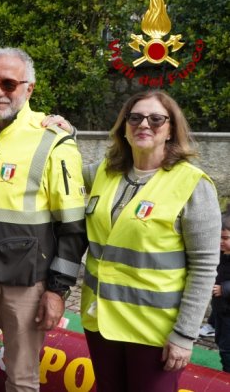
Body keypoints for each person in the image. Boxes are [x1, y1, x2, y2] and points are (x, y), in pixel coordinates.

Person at [0, 47, 88, 392]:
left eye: (8, 84)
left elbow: (73, 228)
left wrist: (57, 291)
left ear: (29, 88)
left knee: (21, 378)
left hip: (26, 286)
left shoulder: (52, 141)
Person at [79, 90, 221, 391]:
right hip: (101, 322)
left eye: (156, 119)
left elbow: (205, 266)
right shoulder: (105, 172)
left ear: (171, 130)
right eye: (135, 118)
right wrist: (64, 133)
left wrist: (185, 334)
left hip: (154, 332)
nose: (144, 124)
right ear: (124, 128)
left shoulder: (193, 185)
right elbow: (62, 172)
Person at [213, 212, 230, 372]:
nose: (220, 242)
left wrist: (224, 289)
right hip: (221, 311)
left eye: (225, 238)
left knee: (227, 349)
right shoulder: (221, 256)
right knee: (221, 342)